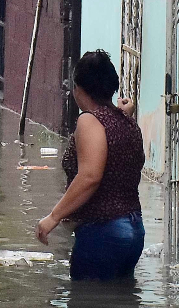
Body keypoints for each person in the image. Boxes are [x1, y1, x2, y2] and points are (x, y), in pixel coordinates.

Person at [35, 50, 145, 280]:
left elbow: (90, 176)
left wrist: (53, 217)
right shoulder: (126, 122)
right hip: (134, 231)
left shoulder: (89, 120)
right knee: (120, 300)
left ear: (79, 88)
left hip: (104, 231)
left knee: (84, 301)